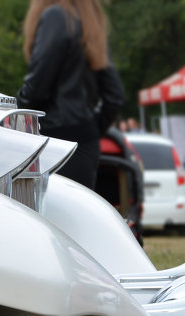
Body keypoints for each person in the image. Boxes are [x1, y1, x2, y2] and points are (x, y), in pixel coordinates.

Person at [18, 0, 124, 190]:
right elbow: (115, 96)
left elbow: (37, 88)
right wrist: (88, 128)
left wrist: (14, 112)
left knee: (45, 217)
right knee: (76, 216)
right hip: (84, 145)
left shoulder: (56, 17)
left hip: (54, 143)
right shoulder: (89, 26)